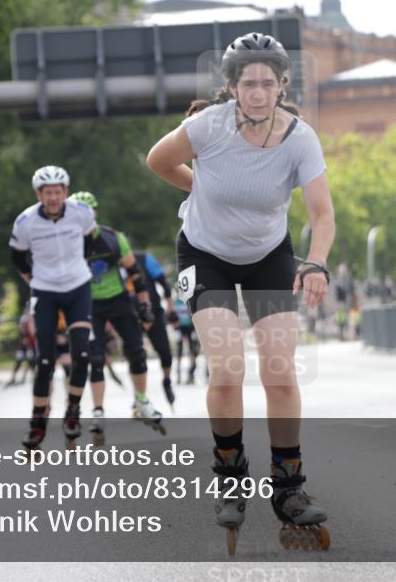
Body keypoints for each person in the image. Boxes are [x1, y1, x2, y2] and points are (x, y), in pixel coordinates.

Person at [146, 31, 335, 553]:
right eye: (247, 83)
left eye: (266, 83)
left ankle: (289, 489)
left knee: (279, 369)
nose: (257, 92)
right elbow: (157, 161)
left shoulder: (300, 138)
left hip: (269, 256)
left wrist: (316, 262)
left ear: (281, 86)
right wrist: (199, 187)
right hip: (204, 254)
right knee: (227, 368)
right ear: (231, 87)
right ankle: (229, 480)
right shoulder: (207, 127)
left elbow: (321, 213)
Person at [68, 191, 165, 443]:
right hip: (89, 304)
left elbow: (135, 273)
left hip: (118, 300)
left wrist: (144, 306)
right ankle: (98, 412)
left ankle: (142, 401)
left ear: (95, 213)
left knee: (137, 350)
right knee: (95, 357)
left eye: (88, 213)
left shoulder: (112, 238)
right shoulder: (67, 242)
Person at [10, 165, 96, 449]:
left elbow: (89, 240)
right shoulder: (25, 222)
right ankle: (37, 424)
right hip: (44, 289)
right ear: (39, 194)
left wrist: (78, 266)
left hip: (77, 286)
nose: (53, 197)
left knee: (82, 354)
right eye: (47, 192)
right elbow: (19, 257)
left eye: (58, 191)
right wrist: (33, 280)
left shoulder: (81, 212)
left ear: (65, 191)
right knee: (44, 360)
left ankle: (72, 411)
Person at [131, 250, 178, 409]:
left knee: (165, 352)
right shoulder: (112, 263)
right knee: (135, 355)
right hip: (129, 315)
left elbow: (164, 283)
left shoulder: (144, 259)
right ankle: (139, 395)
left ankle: (167, 380)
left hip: (153, 312)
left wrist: (171, 309)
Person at [167, 293, 201, 384]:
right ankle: (178, 373)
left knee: (192, 351)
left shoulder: (190, 300)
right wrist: (175, 328)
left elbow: (195, 315)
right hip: (180, 328)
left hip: (190, 328)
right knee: (179, 352)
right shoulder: (176, 302)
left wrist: (195, 328)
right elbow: (171, 316)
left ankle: (191, 373)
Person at [6, 302, 37, 387]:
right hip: (23, 345)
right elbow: (22, 330)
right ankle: (13, 378)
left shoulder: (35, 317)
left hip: (31, 344)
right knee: (19, 360)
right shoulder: (24, 318)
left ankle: (32, 378)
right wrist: (24, 338)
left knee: (31, 361)